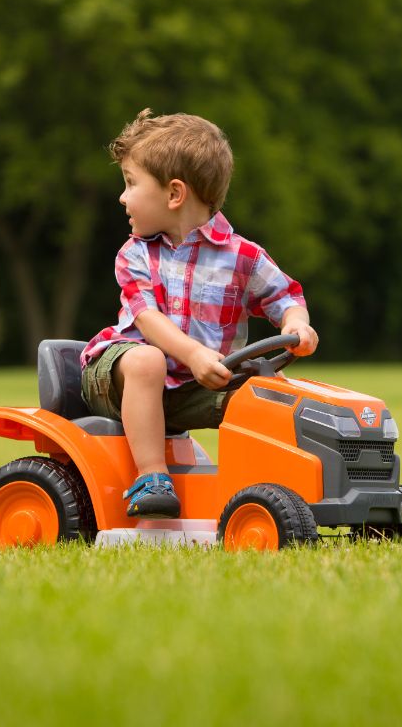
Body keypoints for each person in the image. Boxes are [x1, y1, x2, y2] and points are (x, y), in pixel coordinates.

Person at [79, 109, 319, 519]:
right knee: (148, 359)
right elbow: (147, 320)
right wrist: (192, 354)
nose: (122, 197)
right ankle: (152, 477)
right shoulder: (135, 254)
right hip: (119, 379)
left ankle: (276, 489)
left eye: (131, 183)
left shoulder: (243, 257)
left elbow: (285, 296)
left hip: (196, 386)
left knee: (266, 392)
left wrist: (297, 323)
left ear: (174, 194)